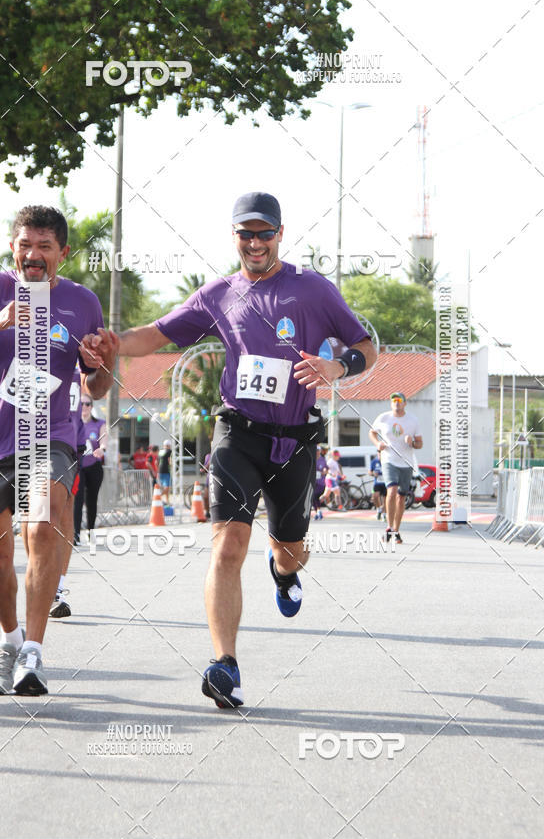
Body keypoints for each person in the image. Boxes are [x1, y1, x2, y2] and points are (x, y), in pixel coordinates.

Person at [81, 190, 377, 709]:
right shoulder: (219, 293)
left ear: (282, 234)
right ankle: (225, 665)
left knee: (290, 551)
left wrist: (336, 368)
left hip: (294, 439)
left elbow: (368, 348)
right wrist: (112, 342)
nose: (256, 242)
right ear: (234, 236)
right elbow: (157, 334)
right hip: (236, 432)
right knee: (227, 544)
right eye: (246, 233)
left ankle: (283, 572)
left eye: (265, 233)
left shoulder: (312, 290)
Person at [0, 205, 116, 695]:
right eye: (25, 245)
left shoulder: (83, 303)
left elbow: (97, 386)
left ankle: (34, 655)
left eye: (44, 246)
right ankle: (10, 641)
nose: (33, 255)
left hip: (49, 436)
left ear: (62, 252)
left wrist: (102, 362)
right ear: (13, 246)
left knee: (41, 526)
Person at [49, 365, 83, 619]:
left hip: (69, 445)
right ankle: (40, 581)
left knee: (64, 516)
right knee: (37, 518)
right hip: (28, 440)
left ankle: (56, 590)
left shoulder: (80, 365)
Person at [369, 391, 423, 543]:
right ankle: (388, 527)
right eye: (394, 400)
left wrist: (412, 442)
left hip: (406, 463)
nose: (396, 403)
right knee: (391, 491)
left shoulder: (413, 420)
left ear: (405, 403)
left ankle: (396, 530)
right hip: (389, 460)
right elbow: (372, 433)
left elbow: (420, 443)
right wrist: (377, 443)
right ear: (391, 403)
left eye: (399, 400)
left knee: (402, 497)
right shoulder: (384, 418)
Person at [73, 393, 106, 546]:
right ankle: (75, 534)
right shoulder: (72, 423)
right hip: (78, 467)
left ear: (91, 407)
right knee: (77, 500)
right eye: (82, 404)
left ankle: (91, 531)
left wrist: (102, 449)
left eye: (87, 404)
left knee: (91, 500)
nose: (84, 407)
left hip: (94, 467)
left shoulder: (99, 423)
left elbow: (104, 439)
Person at [369, 449, 386, 520]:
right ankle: (379, 509)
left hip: (386, 483)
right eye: (379, 454)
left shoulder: (387, 461)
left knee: (385, 499)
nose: (380, 456)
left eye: (381, 454)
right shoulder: (374, 462)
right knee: (375, 496)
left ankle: (384, 514)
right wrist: (373, 473)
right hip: (377, 483)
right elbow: (369, 471)